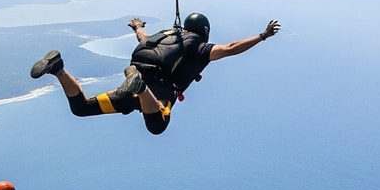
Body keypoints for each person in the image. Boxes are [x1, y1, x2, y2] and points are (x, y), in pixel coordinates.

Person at [29, 14, 279, 135]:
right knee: (157, 124)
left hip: (138, 66)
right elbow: (231, 48)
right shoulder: (200, 47)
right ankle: (139, 88)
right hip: (154, 88)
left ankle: (59, 68)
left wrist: (137, 26)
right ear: (204, 31)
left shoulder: (166, 35)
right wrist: (263, 36)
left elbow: (143, 39)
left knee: (82, 108)